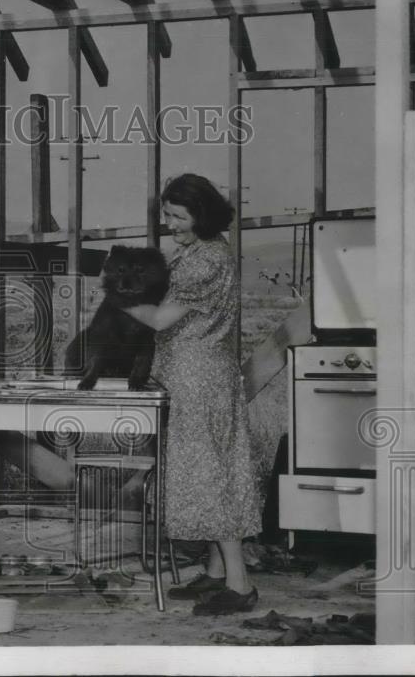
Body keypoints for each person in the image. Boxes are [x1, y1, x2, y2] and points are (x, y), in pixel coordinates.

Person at [123, 173, 262, 616]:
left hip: (198, 379)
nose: (170, 223)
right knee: (217, 468)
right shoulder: (203, 252)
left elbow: (163, 320)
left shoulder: (204, 261)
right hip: (202, 375)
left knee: (209, 476)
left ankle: (239, 586)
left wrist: (117, 298)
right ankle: (217, 572)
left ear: (200, 214)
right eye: (166, 214)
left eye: (178, 216)